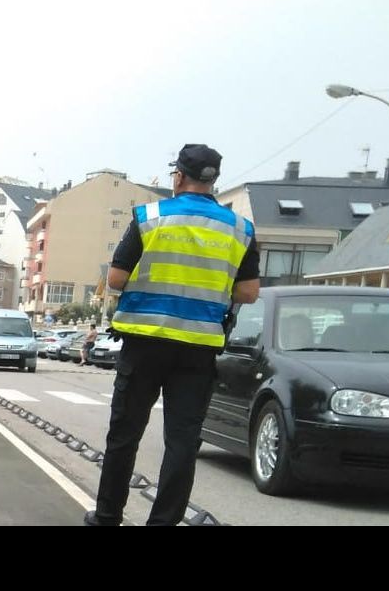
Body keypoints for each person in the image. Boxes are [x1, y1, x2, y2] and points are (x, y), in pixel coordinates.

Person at [85, 144, 260, 527]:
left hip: (145, 344)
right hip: (197, 349)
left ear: (178, 177)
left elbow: (115, 279)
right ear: (214, 180)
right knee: (182, 442)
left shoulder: (150, 217)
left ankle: (108, 515)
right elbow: (248, 293)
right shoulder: (239, 228)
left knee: (125, 435)